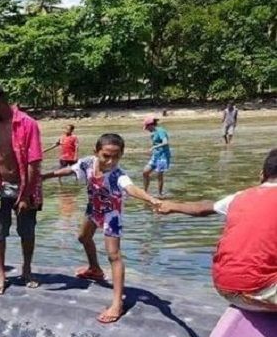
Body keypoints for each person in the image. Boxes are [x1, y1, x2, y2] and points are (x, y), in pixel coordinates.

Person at [42, 133, 161, 323]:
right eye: (106, 156)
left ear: (122, 155)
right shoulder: (88, 162)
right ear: (96, 152)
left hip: (111, 215)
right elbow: (70, 170)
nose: (111, 161)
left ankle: (117, 303)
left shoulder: (118, 175)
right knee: (83, 237)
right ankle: (95, 269)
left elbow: (131, 189)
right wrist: (44, 176)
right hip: (94, 209)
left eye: (116, 156)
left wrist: (151, 199)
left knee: (114, 255)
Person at [157, 148, 277, 312]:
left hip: (225, 287)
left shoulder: (240, 196)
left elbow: (203, 208)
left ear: (261, 175)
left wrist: (173, 206)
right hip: (262, 292)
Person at [0, 84, 43, 294]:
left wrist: (26, 195)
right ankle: (0, 274)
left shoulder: (27, 124)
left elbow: (34, 163)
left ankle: (27, 269)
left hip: (26, 187)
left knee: (27, 231)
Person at [142, 117, 170, 197]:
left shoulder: (160, 131)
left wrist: (154, 147)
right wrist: (151, 151)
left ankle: (160, 194)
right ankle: (145, 192)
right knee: (145, 172)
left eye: (147, 127)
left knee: (159, 175)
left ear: (151, 125)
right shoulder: (153, 132)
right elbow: (155, 144)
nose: (147, 129)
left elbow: (165, 142)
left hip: (163, 156)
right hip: (156, 156)